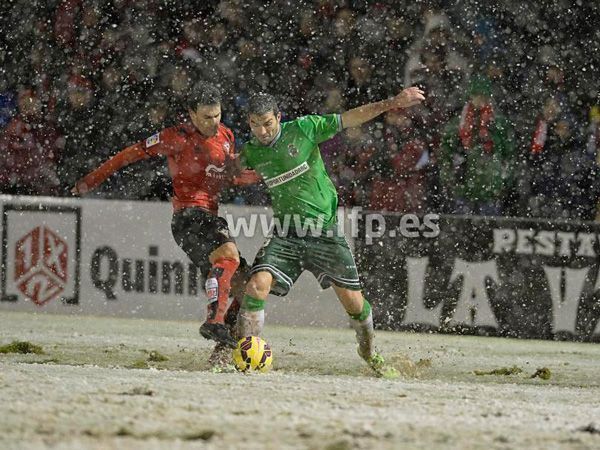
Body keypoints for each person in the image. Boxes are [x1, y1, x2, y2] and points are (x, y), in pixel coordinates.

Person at [235, 87, 425, 377]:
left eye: (268, 123)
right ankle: (246, 358)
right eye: (255, 124)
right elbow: (225, 171)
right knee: (257, 285)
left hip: (324, 231)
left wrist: (393, 103)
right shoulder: (251, 151)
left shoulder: (304, 128)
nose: (262, 130)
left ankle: (370, 354)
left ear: (279, 117)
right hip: (287, 233)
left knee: (354, 303)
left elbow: (351, 118)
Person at [72, 82, 259, 350]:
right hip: (188, 216)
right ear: (192, 114)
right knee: (228, 257)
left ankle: (224, 345)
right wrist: (91, 180)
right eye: (206, 117)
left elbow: (230, 176)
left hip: (209, 216)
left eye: (217, 115)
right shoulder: (176, 137)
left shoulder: (227, 135)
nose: (213, 122)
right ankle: (213, 321)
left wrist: (265, 173)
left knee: (246, 284)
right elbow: (130, 154)